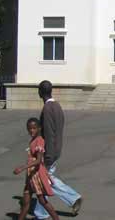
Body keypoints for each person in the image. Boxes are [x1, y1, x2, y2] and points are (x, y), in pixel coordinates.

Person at [34, 80, 83, 219]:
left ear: (40, 92)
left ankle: (42, 214)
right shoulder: (57, 106)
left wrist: (47, 155)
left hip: (49, 152)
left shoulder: (48, 108)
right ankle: (72, 199)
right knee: (48, 180)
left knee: (43, 180)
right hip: (56, 149)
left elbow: (49, 133)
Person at [13, 118, 59, 220]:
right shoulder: (33, 140)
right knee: (25, 203)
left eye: (34, 128)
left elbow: (38, 160)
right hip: (30, 176)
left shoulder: (40, 141)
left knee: (42, 201)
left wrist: (22, 168)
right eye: (29, 128)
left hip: (36, 175)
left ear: (39, 128)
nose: (31, 130)